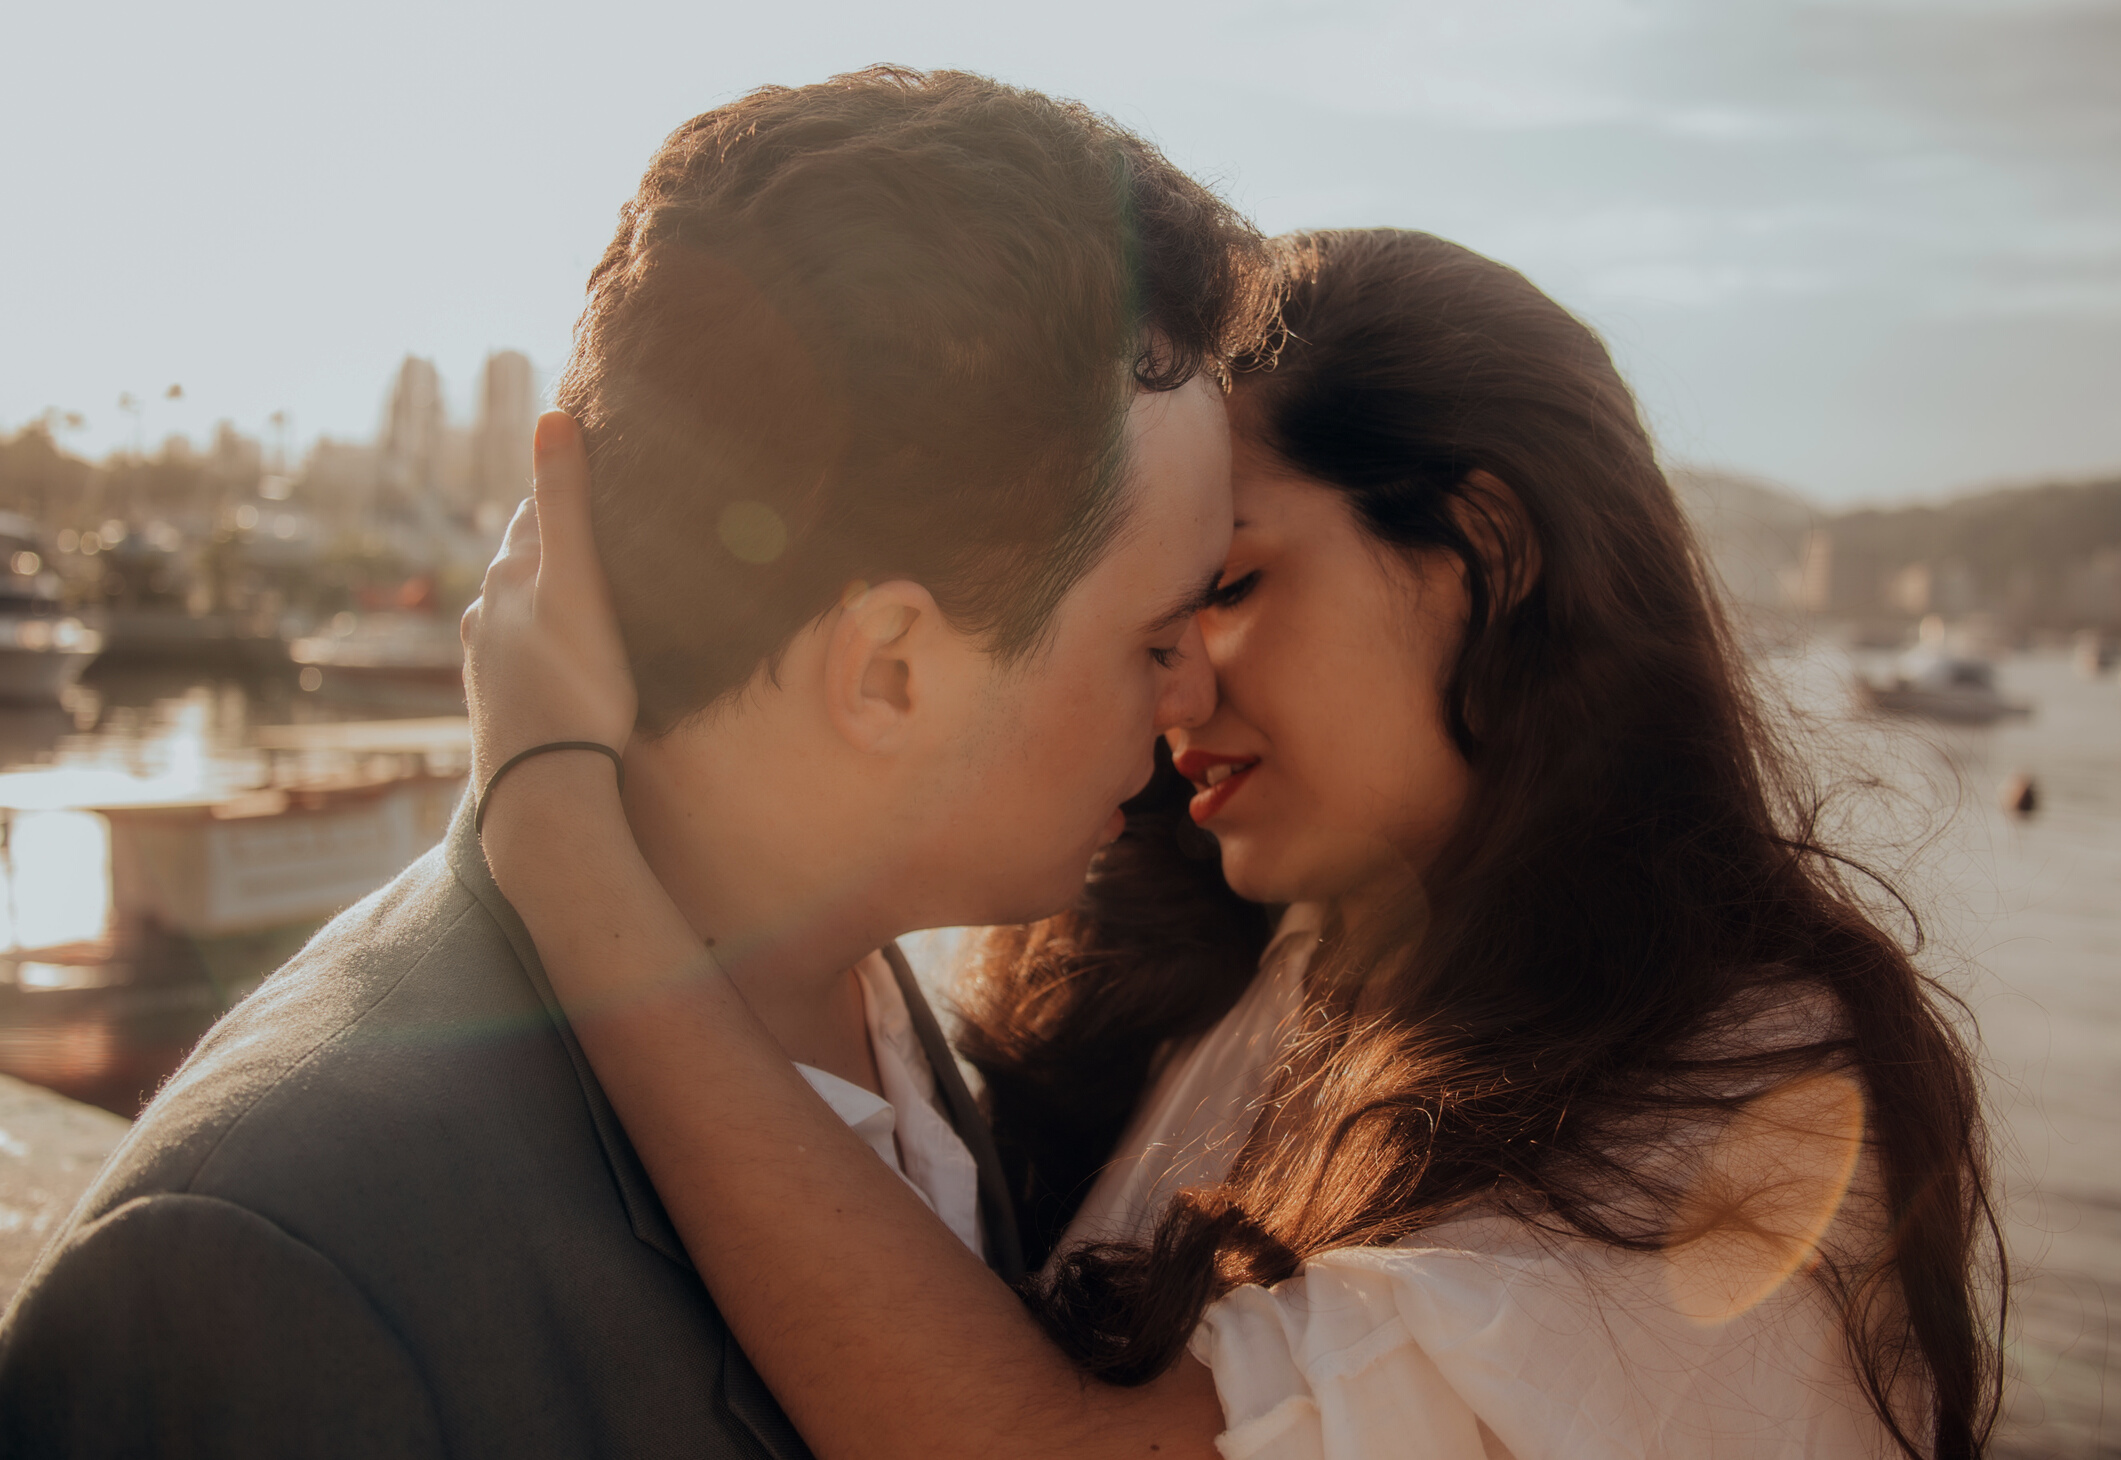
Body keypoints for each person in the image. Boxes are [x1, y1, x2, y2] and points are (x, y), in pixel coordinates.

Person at [464, 229, 2002, 1458]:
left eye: (1237, 582)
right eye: (1156, 604)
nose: (1173, 672)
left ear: (1485, 549)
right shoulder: (1261, 968)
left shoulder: (1743, 1095)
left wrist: (552, 817)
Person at [0, 68, 1271, 1457]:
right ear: (889, 671)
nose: (1189, 693)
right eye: (1152, 637)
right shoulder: (265, 1274)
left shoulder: (864, 991)